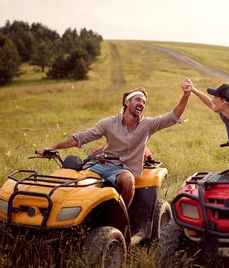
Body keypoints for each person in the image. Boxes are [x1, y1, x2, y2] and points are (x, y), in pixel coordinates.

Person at [37, 80, 194, 208]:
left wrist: (186, 96)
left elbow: (172, 117)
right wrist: (53, 147)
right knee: (75, 180)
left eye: (144, 102)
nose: (141, 104)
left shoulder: (148, 125)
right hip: (102, 165)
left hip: (125, 169)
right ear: (127, 102)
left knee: (128, 180)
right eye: (138, 99)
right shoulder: (108, 123)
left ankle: (121, 218)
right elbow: (82, 137)